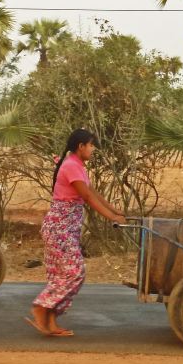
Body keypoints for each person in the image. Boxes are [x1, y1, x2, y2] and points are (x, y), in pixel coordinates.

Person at [25, 129, 125, 336]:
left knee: (60, 276)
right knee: (75, 272)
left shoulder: (77, 165)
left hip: (65, 230)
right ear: (81, 147)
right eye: (91, 145)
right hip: (58, 229)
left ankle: (50, 323)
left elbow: (93, 191)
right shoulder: (71, 166)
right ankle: (41, 306)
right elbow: (87, 197)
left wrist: (115, 210)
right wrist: (111, 218)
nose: (93, 149)